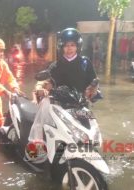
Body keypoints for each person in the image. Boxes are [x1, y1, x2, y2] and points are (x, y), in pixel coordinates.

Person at [27, 28, 99, 159]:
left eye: (72, 45)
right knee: (42, 120)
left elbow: (93, 81)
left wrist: (93, 90)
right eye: (66, 45)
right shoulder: (56, 65)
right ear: (62, 47)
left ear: (77, 46)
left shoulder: (85, 63)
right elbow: (46, 81)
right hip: (60, 104)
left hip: (80, 104)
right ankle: (38, 147)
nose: (69, 48)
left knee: (91, 133)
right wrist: (41, 88)